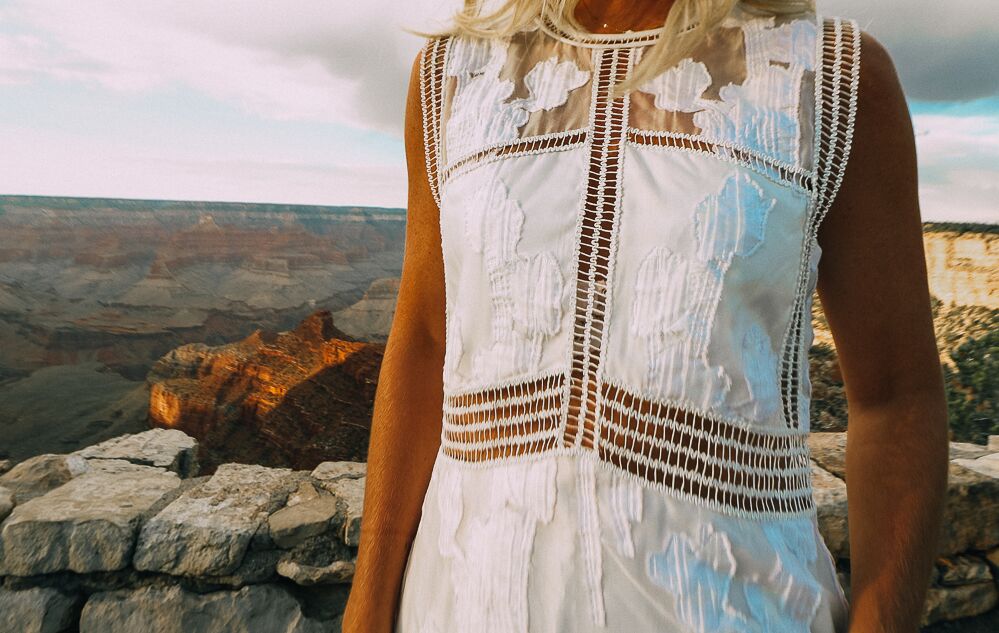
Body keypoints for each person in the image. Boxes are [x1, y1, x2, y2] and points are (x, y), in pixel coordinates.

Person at [343, 0, 950, 631]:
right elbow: (424, 345)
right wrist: (366, 608)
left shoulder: (824, 75)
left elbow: (896, 400)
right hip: (460, 606)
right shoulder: (455, 76)